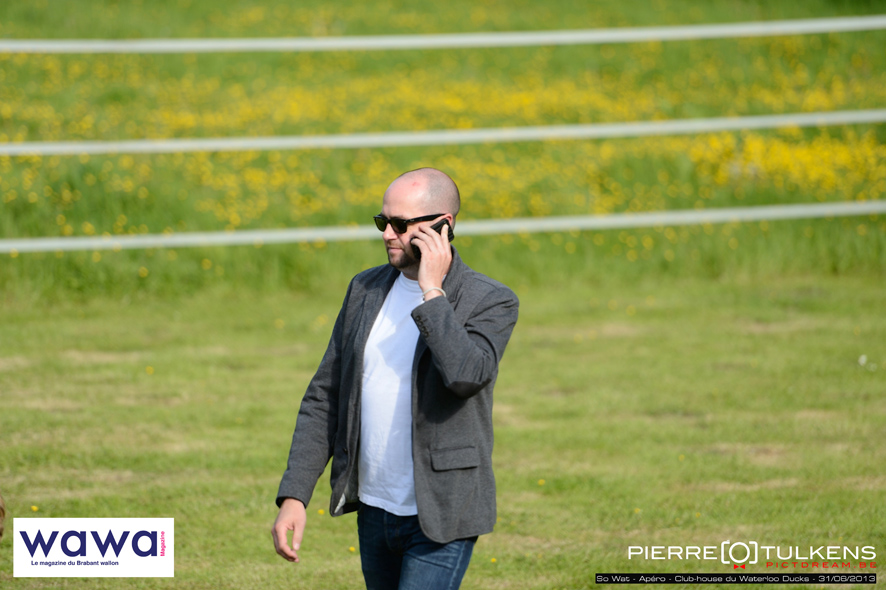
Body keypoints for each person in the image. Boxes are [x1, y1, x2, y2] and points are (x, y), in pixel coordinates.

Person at [271, 167, 519, 589]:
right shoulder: (364, 289)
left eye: (401, 225)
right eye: (382, 221)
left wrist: (432, 291)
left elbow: (465, 376)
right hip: (374, 509)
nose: (387, 234)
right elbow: (325, 396)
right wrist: (295, 495)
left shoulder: (490, 299)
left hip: (442, 514)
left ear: (443, 226)